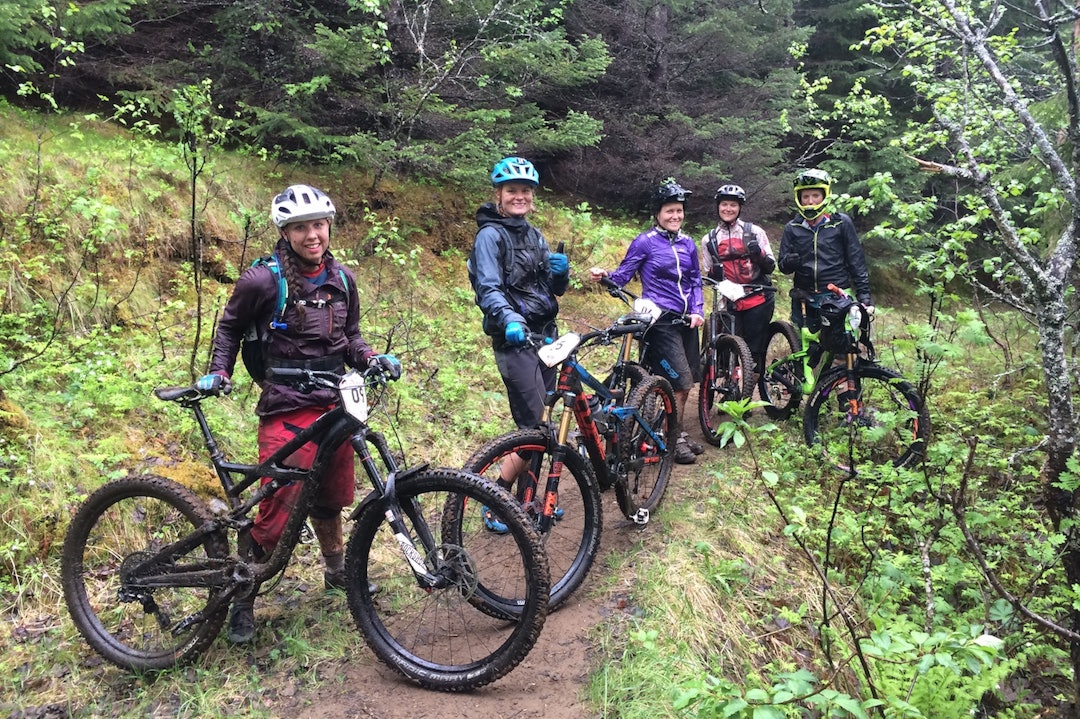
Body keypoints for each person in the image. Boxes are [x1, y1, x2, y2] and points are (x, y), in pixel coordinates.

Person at [200, 183, 399, 644]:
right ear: (285, 231)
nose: (313, 235)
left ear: (329, 226)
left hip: (335, 404)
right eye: (301, 227)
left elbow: (349, 337)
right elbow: (229, 327)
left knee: (330, 496)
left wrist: (372, 358)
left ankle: (336, 574)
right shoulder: (263, 280)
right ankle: (242, 597)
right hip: (286, 405)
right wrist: (218, 371)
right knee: (277, 504)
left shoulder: (343, 280)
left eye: (319, 225)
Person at [467, 157, 570, 531]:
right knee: (534, 425)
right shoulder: (489, 237)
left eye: (525, 191)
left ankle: (527, 502)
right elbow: (488, 288)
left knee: (541, 426)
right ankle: (496, 499)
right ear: (498, 194)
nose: (519, 196)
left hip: (544, 337)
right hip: (514, 341)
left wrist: (561, 276)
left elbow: (549, 289)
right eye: (512, 190)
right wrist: (508, 318)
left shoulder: (535, 235)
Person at [589, 179, 705, 465]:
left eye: (679, 211)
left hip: (685, 321)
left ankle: (672, 430)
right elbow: (623, 275)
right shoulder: (645, 242)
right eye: (669, 211)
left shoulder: (688, 243)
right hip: (660, 322)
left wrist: (698, 309)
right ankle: (671, 439)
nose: (675, 216)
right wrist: (605, 276)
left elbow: (695, 280)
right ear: (657, 213)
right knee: (679, 381)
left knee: (688, 383)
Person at [776, 169, 874, 333]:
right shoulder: (792, 228)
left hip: (837, 294)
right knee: (806, 350)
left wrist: (864, 297)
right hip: (804, 297)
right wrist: (789, 261)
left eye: (815, 195)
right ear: (799, 198)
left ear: (824, 195)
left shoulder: (841, 223)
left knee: (842, 347)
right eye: (805, 196)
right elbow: (783, 267)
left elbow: (856, 261)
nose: (810, 201)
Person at [700, 183, 776, 379]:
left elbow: (770, 266)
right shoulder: (709, 240)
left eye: (733, 205)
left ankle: (752, 384)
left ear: (740, 207)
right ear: (718, 206)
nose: (728, 209)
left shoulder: (755, 232)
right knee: (726, 346)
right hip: (728, 300)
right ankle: (729, 383)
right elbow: (708, 275)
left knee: (753, 349)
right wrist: (714, 273)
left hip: (757, 296)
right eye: (724, 204)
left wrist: (757, 254)